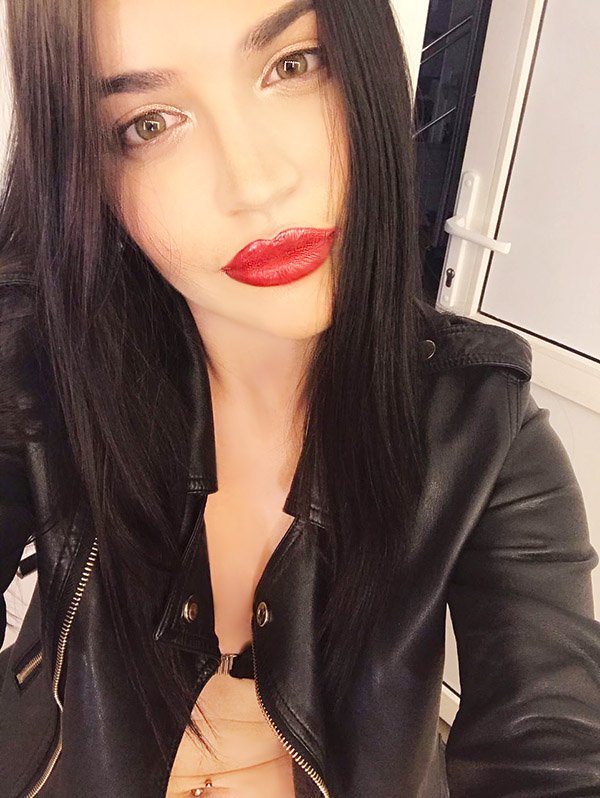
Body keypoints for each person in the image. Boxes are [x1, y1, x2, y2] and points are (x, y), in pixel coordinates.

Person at [1, 1, 599, 796]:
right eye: (149, 124)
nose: (256, 184)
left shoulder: (483, 431)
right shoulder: (41, 371)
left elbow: (554, 747)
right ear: (89, 171)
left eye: (292, 65)